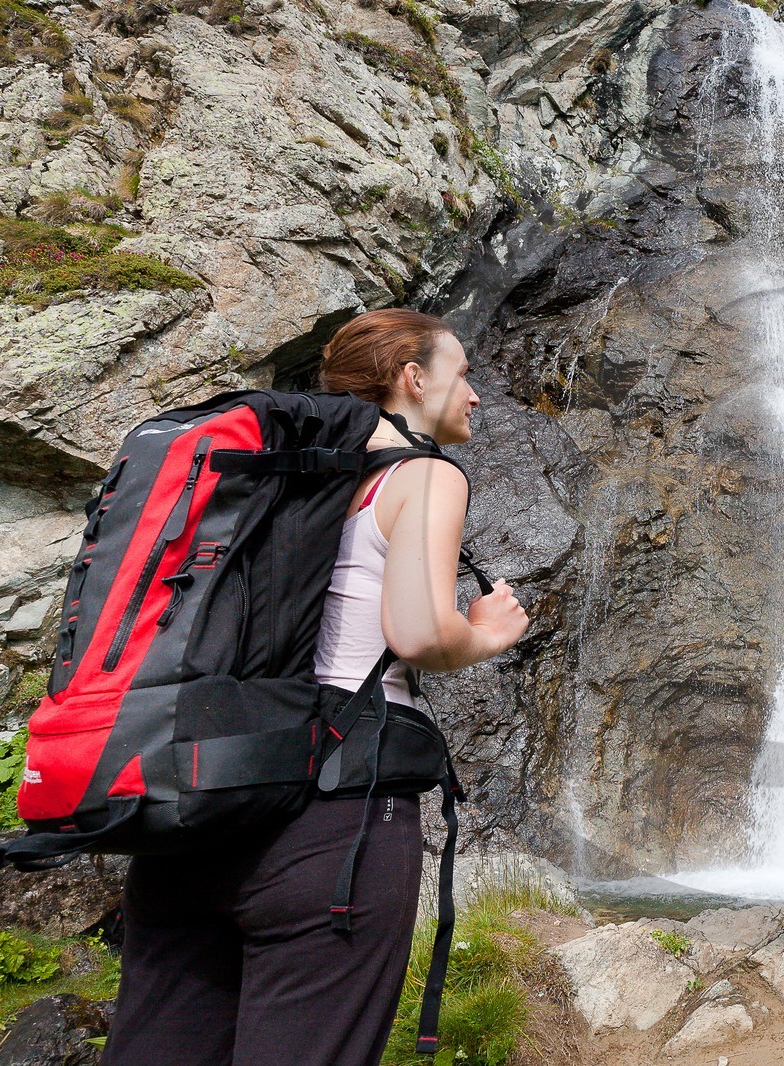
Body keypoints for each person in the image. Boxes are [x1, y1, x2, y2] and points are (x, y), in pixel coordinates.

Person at [102, 309, 532, 1066]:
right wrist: (485, 632)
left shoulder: (273, 481)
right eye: (461, 375)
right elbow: (420, 633)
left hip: (195, 808)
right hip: (334, 818)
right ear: (413, 379)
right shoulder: (420, 474)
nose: (474, 396)